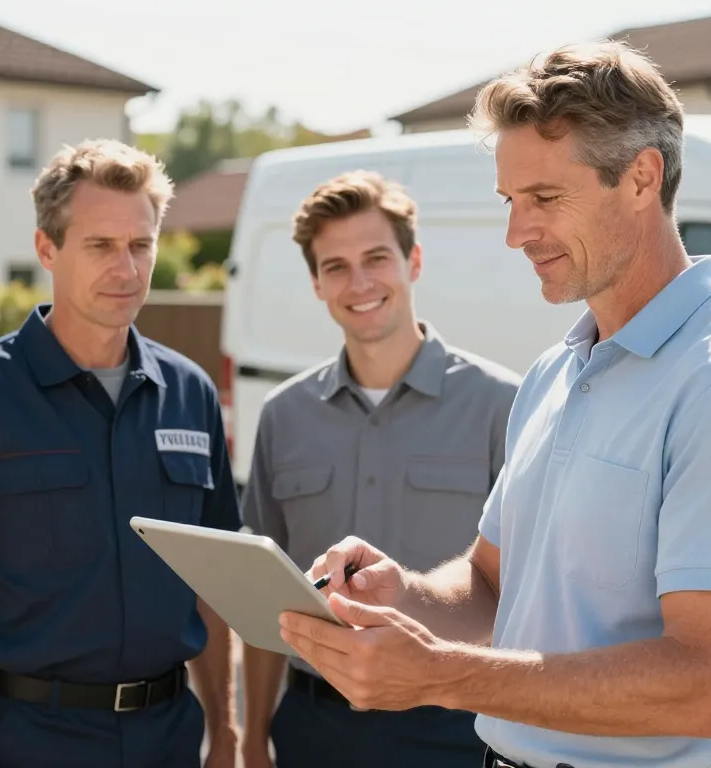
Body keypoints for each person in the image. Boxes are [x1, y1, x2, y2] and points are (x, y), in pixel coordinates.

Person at [277, 41, 711, 768]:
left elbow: (702, 685)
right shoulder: (554, 373)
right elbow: (492, 584)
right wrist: (404, 593)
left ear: (642, 177)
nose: (517, 233)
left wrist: (440, 673)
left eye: (544, 199)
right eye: (512, 201)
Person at [0, 139, 241, 768]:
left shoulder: (191, 393)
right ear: (47, 248)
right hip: (27, 742)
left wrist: (229, 737)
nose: (126, 270)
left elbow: (213, 588)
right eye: (100, 246)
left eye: (141, 245)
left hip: (170, 740)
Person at [238, 170, 521, 768]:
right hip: (312, 731)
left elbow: (529, 590)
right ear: (316, 283)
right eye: (335, 266)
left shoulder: (504, 405)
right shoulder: (283, 416)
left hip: (455, 731)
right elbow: (267, 599)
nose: (359, 282)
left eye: (376, 257)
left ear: (413, 261)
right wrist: (251, 737)